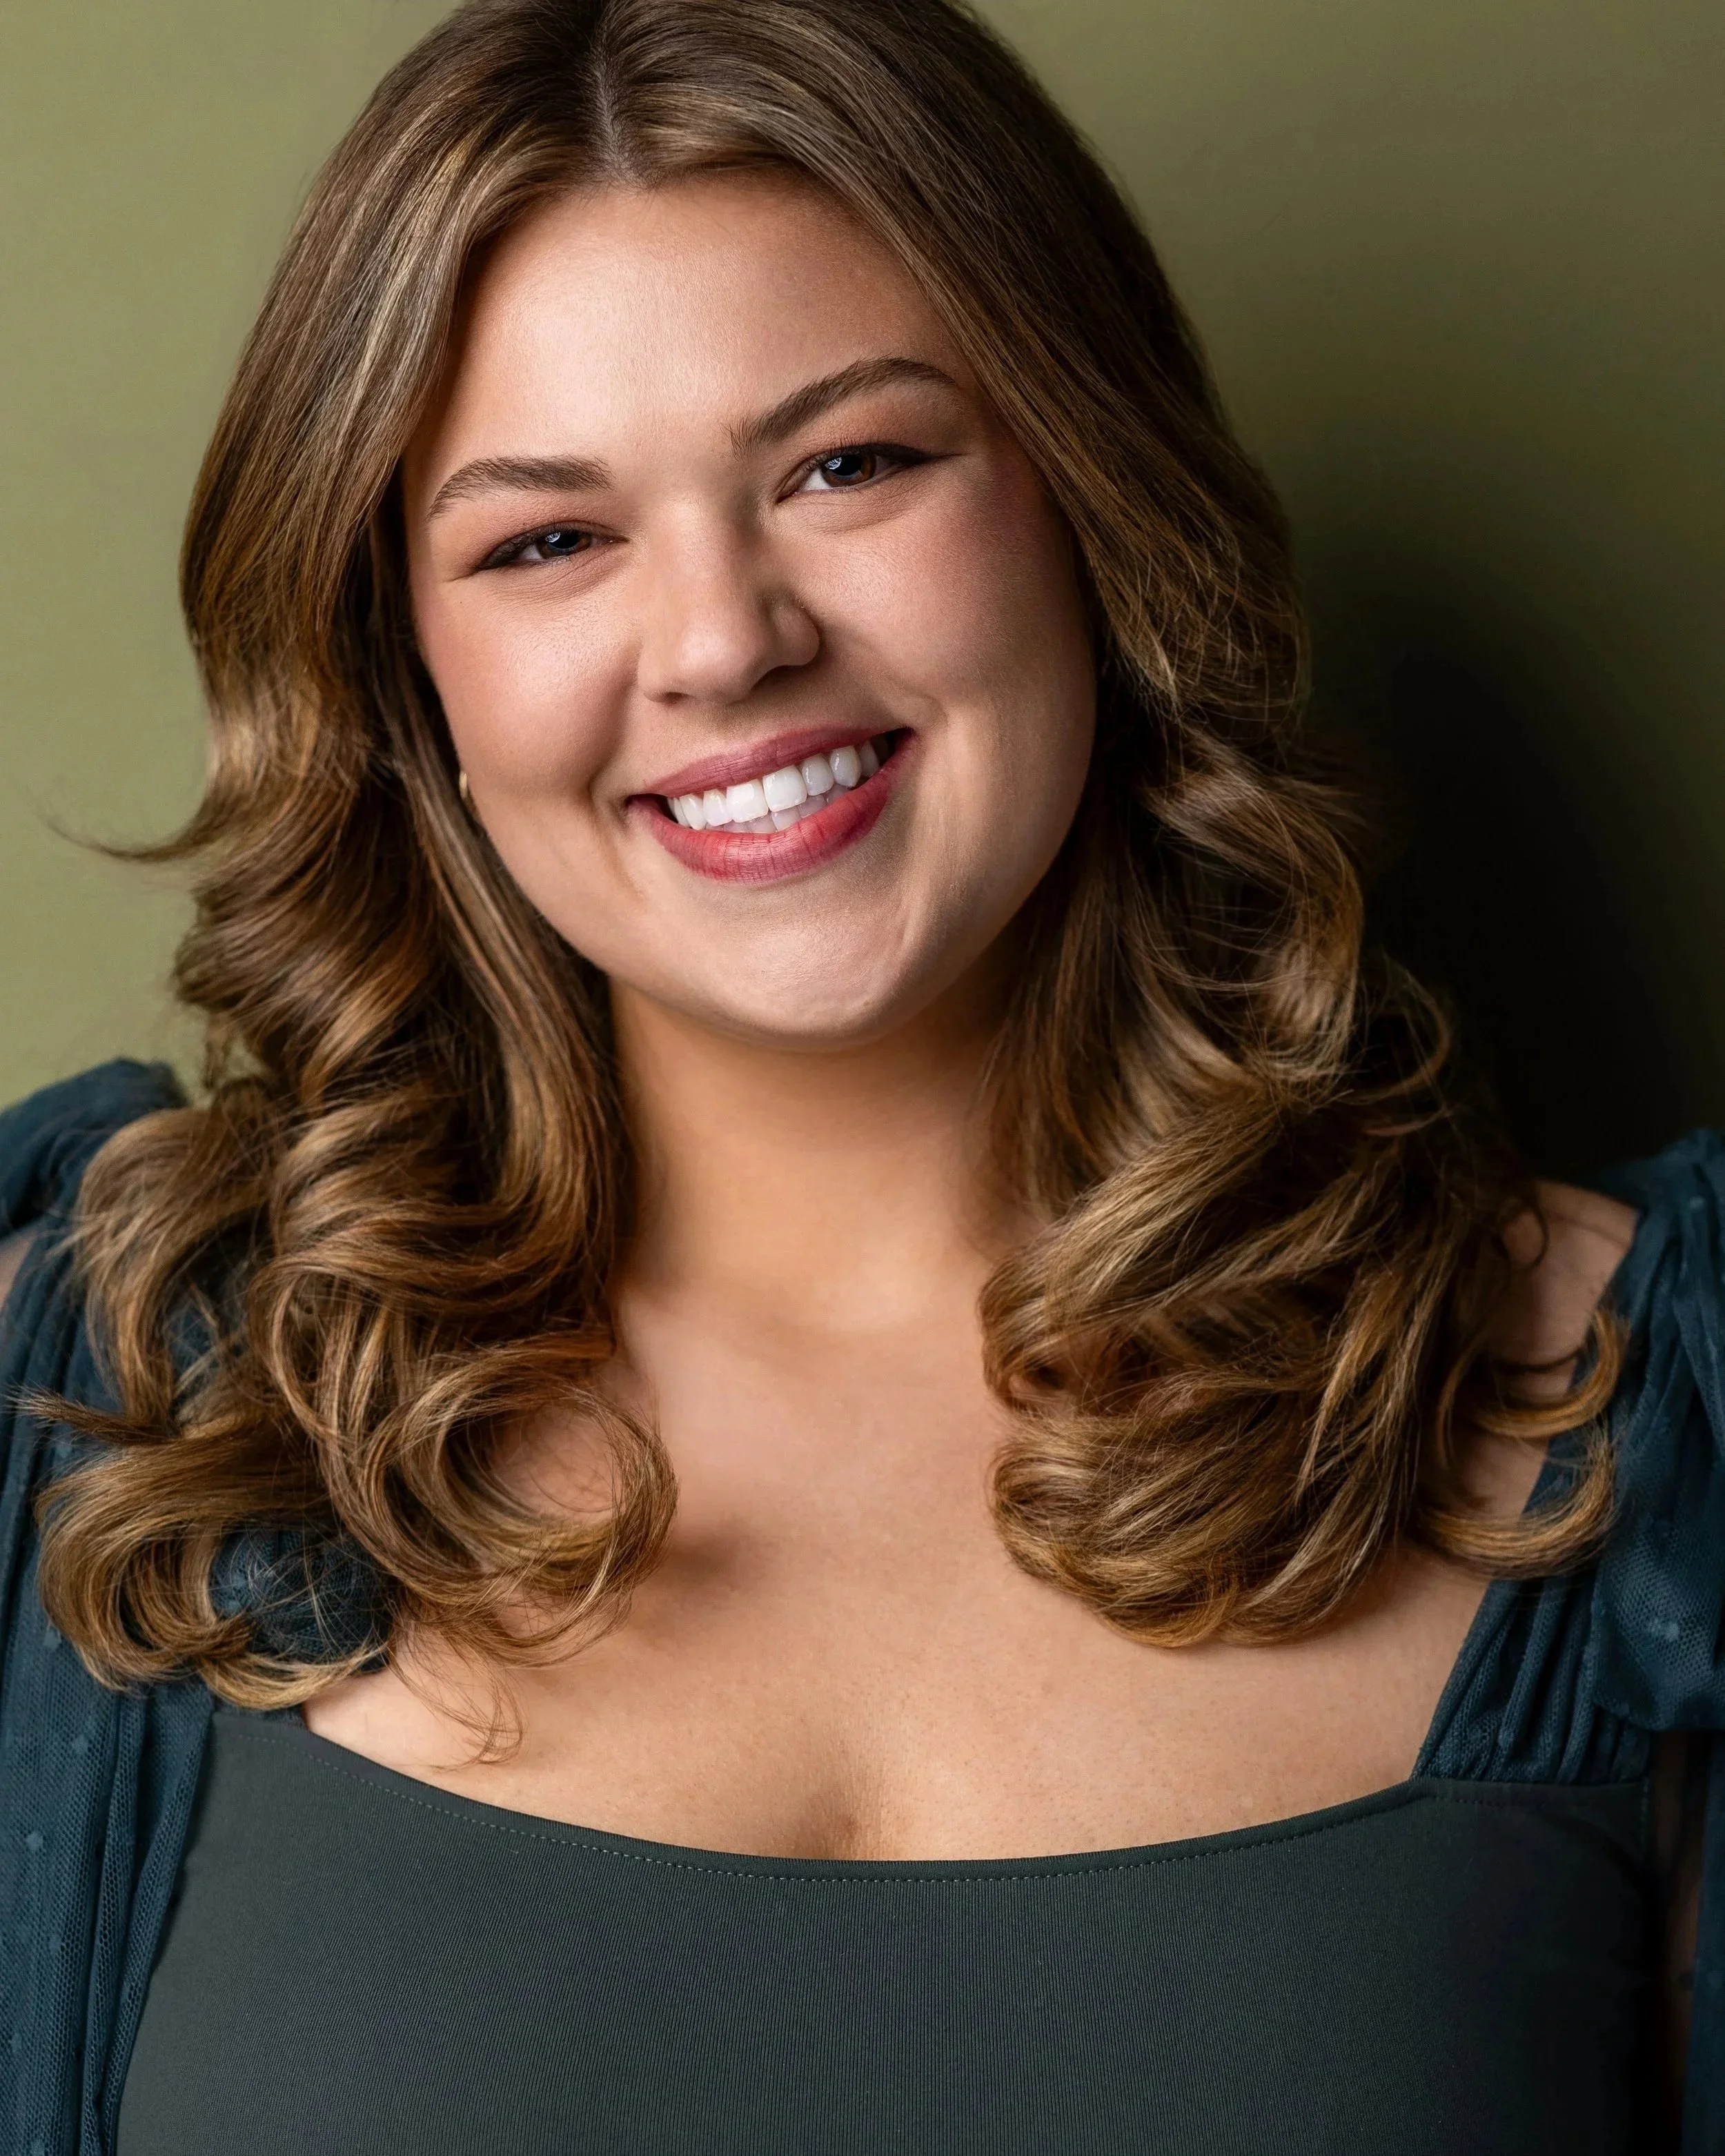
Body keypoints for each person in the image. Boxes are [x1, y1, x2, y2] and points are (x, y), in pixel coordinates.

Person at [2, 0, 1721, 2148]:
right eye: (545, 539)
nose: (722, 640)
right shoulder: (102, 1399)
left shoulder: (1649, 1415)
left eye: (850, 464)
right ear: (403, 672)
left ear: (1091, 495)